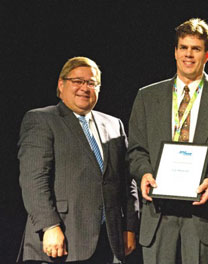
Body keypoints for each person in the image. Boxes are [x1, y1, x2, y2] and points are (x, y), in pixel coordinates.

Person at [127, 18, 208, 264]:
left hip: (206, 212)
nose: (188, 54)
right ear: (175, 52)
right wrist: (144, 174)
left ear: (207, 54)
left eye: (196, 48)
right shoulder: (147, 96)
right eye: (183, 47)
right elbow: (136, 150)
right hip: (159, 213)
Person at [17, 56, 139, 264]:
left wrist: (130, 226)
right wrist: (49, 226)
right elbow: (33, 180)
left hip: (109, 243)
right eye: (78, 81)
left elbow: (128, 181)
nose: (85, 88)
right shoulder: (41, 120)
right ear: (61, 84)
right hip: (61, 240)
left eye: (91, 83)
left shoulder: (113, 125)